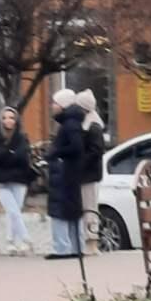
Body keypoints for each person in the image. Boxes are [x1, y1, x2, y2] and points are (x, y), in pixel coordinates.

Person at [0, 106, 36, 255]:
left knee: (15, 211)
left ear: (16, 120)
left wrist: (4, 154)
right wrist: (8, 153)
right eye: (5, 117)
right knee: (12, 210)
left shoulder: (22, 138)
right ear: (0, 120)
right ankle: (26, 238)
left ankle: (13, 242)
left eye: (11, 117)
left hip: (19, 178)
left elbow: (21, 157)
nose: (8, 121)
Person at [46, 88, 87, 261]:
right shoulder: (72, 122)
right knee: (72, 210)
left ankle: (62, 248)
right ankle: (76, 247)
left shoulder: (69, 124)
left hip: (64, 173)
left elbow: (76, 147)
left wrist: (55, 153)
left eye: (55, 103)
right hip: (69, 172)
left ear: (62, 105)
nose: (52, 106)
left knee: (61, 209)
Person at [77, 89, 107, 254]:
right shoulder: (88, 124)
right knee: (87, 207)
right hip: (87, 174)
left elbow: (96, 150)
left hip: (90, 174)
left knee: (90, 208)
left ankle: (92, 241)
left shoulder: (93, 127)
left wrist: (80, 161)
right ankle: (88, 240)